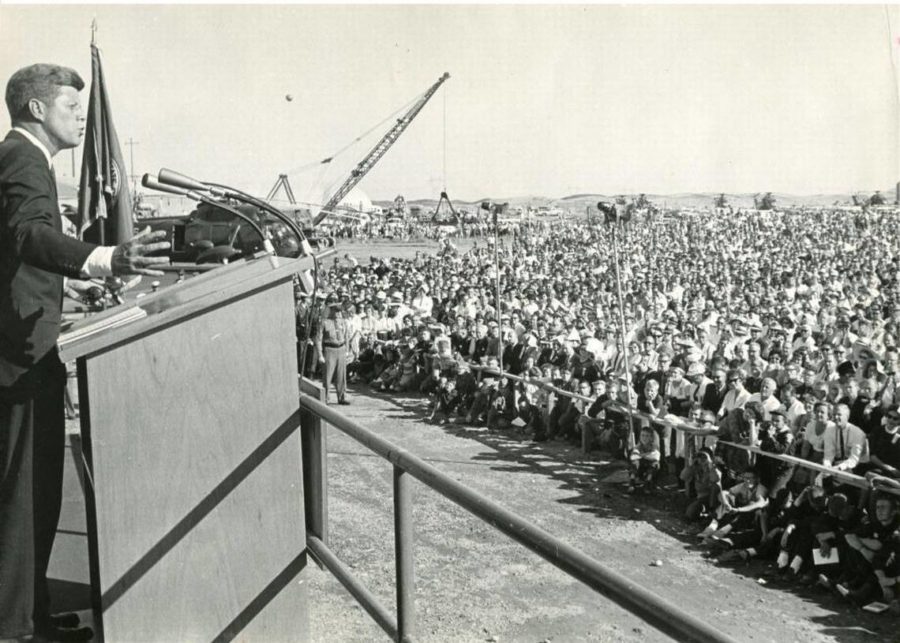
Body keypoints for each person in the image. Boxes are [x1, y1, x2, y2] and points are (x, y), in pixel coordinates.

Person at [1, 64, 169, 642]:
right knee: (26, 495)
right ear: (36, 110)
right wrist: (104, 260)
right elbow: (28, 235)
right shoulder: (22, 159)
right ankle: (15, 628)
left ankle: (30, 615)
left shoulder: (25, 158)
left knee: (38, 492)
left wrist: (68, 286)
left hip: (28, 347)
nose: (79, 115)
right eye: (71, 106)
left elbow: (13, 257)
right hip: (19, 359)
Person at [316, 300, 350, 404]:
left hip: (341, 349)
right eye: (335, 310)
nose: (337, 313)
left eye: (338, 311)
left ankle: (342, 397)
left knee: (341, 375)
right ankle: (326, 398)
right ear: (330, 311)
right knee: (327, 376)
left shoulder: (343, 322)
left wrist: (347, 350)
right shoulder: (324, 322)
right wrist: (320, 354)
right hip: (329, 350)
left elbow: (346, 336)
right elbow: (318, 339)